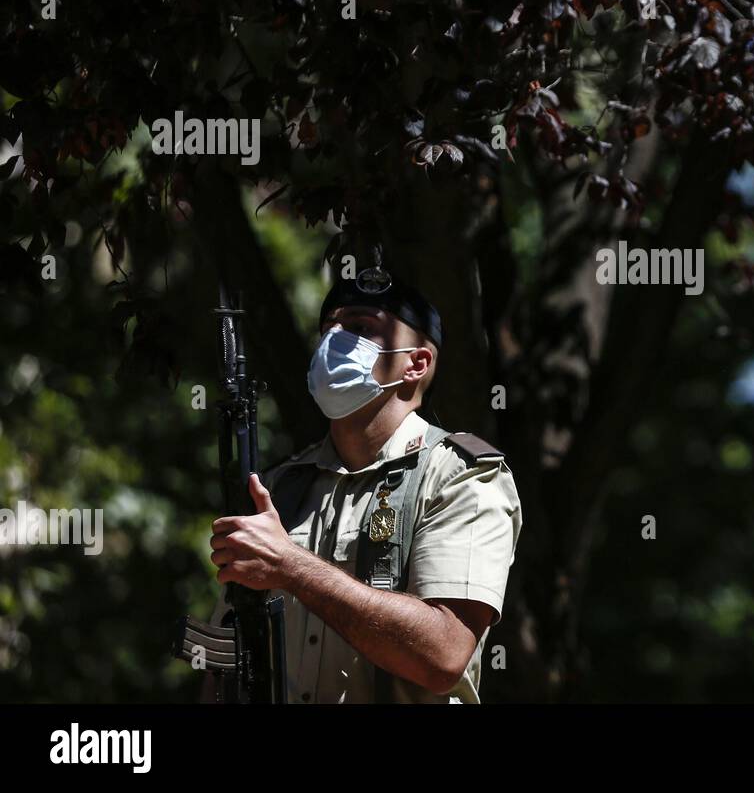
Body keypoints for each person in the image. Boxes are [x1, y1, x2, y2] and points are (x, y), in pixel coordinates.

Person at [203, 264, 521, 703]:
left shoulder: (461, 477)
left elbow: (443, 654)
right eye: (327, 329)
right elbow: (226, 657)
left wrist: (291, 567)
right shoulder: (278, 488)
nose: (334, 342)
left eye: (359, 328)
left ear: (417, 363)